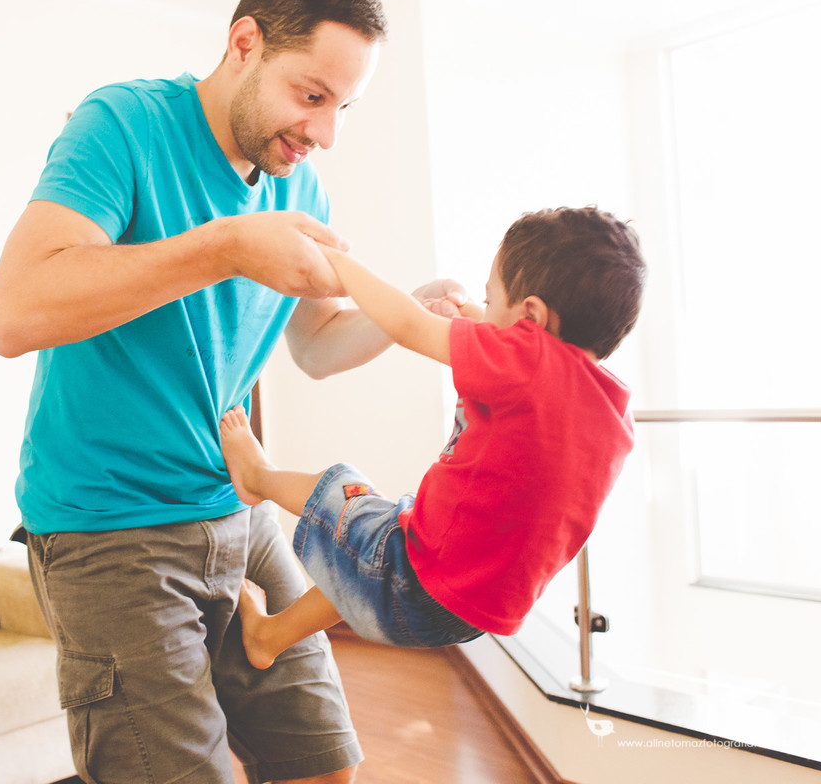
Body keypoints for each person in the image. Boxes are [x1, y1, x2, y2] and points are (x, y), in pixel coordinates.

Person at [0, 0, 455, 782]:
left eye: (344, 107)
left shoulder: (299, 184)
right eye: (312, 96)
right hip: (110, 525)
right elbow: (14, 312)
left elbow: (315, 345)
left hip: (236, 505)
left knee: (321, 764)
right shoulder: (121, 125)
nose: (325, 133)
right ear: (245, 44)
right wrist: (226, 247)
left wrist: (402, 315)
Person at [218, 206, 646, 670]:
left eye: (490, 299)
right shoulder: (611, 414)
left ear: (532, 317)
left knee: (344, 488)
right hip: (466, 614)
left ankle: (256, 477)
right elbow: (511, 349)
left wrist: (338, 264)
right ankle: (270, 637)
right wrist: (467, 315)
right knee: (375, 537)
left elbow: (406, 325)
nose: (483, 312)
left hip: (414, 580)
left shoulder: (529, 363)